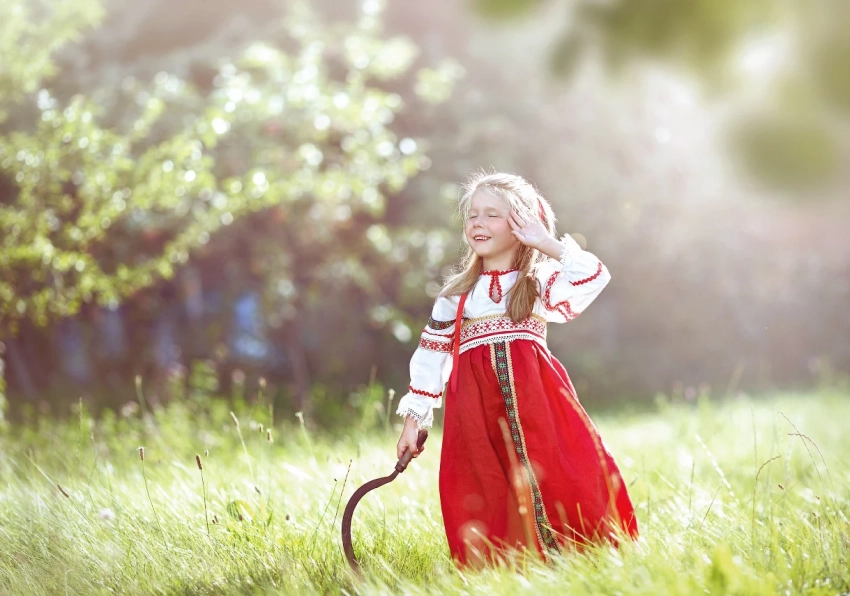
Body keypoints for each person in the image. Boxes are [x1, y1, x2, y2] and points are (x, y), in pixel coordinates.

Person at [395, 171, 639, 567]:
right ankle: (508, 568)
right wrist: (414, 420)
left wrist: (544, 242)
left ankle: (582, 555)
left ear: (520, 223)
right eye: (472, 215)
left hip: (539, 402)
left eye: (492, 214)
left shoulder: (538, 283)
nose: (478, 222)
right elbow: (430, 358)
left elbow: (594, 276)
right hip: (477, 410)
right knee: (487, 484)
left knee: (560, 471)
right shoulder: (455, 296)